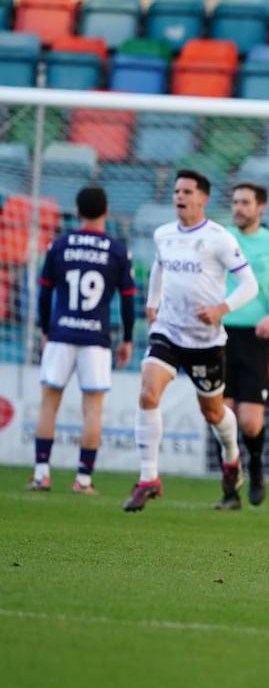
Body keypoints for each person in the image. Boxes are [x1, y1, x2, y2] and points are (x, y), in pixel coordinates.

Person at [124, 170, 259, 513]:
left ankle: (232, 459)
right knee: (148, 392)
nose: (179, 197)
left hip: (205, 341)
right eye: (175, 191)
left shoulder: (219, 238)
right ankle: (148, 478)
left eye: (186, 192)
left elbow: (250, 285)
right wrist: (152, 302)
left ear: (203, 199)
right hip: (168, 331)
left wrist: (220, 308)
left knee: (213, 412)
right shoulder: (163, 235)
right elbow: (158, 267)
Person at [27, 186, 136, 495]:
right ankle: (83, 479)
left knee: (49, 405)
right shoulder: (116, 250)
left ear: (77, 212)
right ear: (106, 211)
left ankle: (41, 475)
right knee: (93, 410)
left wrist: (44, 329)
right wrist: (127, 338)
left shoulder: (59, 246)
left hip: (61, 333)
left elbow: (45, 292)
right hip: (95, 339)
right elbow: (128, 300)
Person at [217, 182, 269, 510]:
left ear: (260, 207)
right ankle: (229, 491)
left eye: (245, 202)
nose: (238, 207)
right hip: (217, 334)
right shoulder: (220, 237)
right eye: (235, 201)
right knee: (221, 415)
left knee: (250, 421)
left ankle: (256, 464)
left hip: (255, 338)